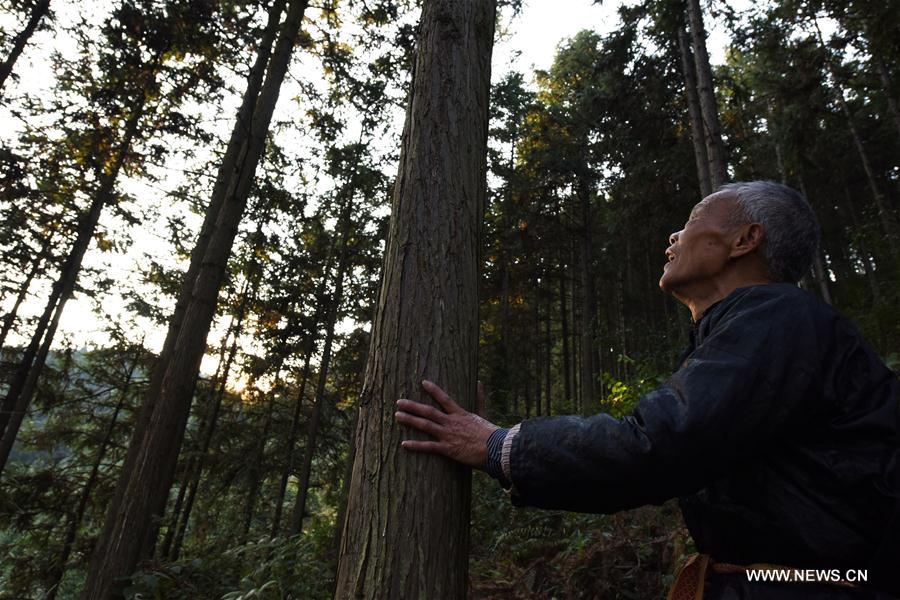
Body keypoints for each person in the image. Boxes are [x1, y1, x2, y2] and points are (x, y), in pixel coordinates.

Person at [394, 181, 900, 599]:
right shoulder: (755, 332)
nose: (673, 237)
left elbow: (657, 445)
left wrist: (498, 445)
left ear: (745, 240)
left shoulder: (780, 319)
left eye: (693, 219)